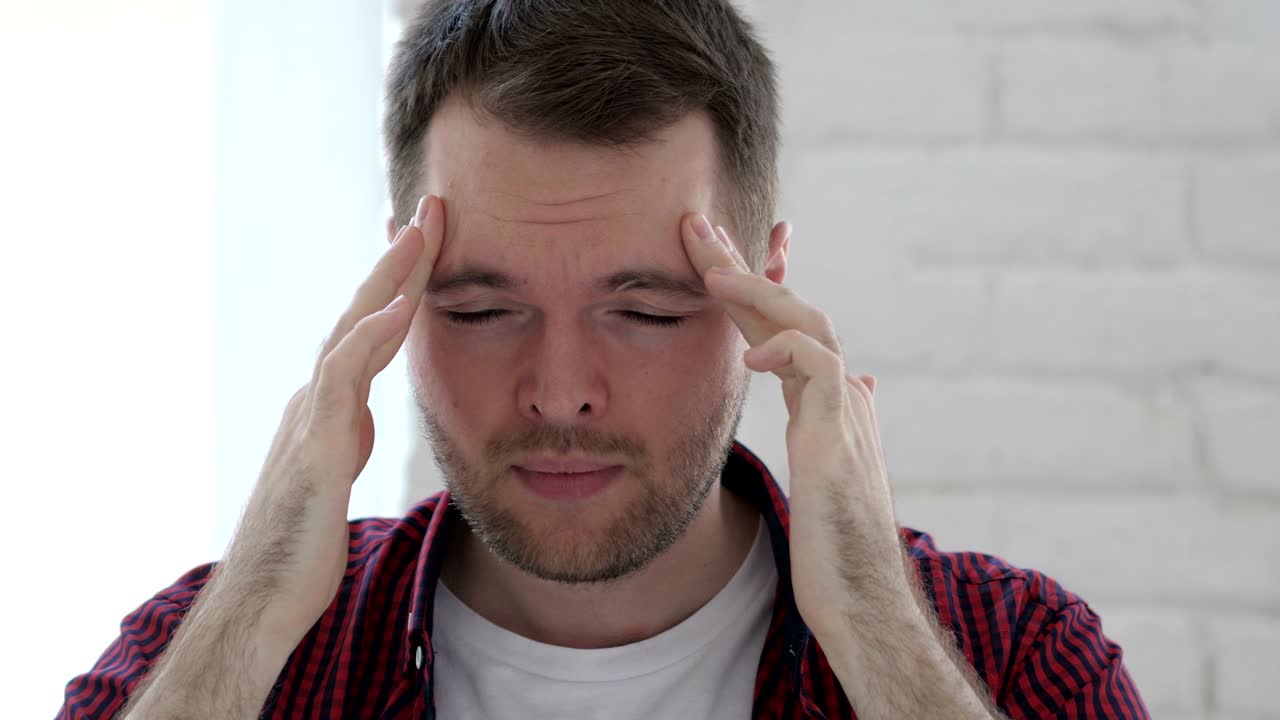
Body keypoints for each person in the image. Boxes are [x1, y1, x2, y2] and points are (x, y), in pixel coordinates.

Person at [58, 1, 1150, 718]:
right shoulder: (207, 648)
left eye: (647, 312)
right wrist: (249, 613)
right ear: (392, 291)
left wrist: (868, 617)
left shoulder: (1014, 654)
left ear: (765, 288)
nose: (561, 392)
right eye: (484, 309)